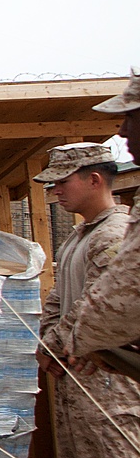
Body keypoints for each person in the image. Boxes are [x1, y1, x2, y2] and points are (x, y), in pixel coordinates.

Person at [27, 142, 140, 458]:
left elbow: (101, 302)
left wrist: (64, 340)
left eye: (63, 182)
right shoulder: (78, 237)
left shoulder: (115, 234)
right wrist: (49, 341)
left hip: (108, 377)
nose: (54, 192)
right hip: (75, 372)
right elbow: (58, 301)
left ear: (96, 179)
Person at [71, 71, 140, 371]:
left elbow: (125, 291)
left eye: (132, 117)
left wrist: (75, 341)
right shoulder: (79, 236)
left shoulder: (110, 231)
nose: (123, 131)